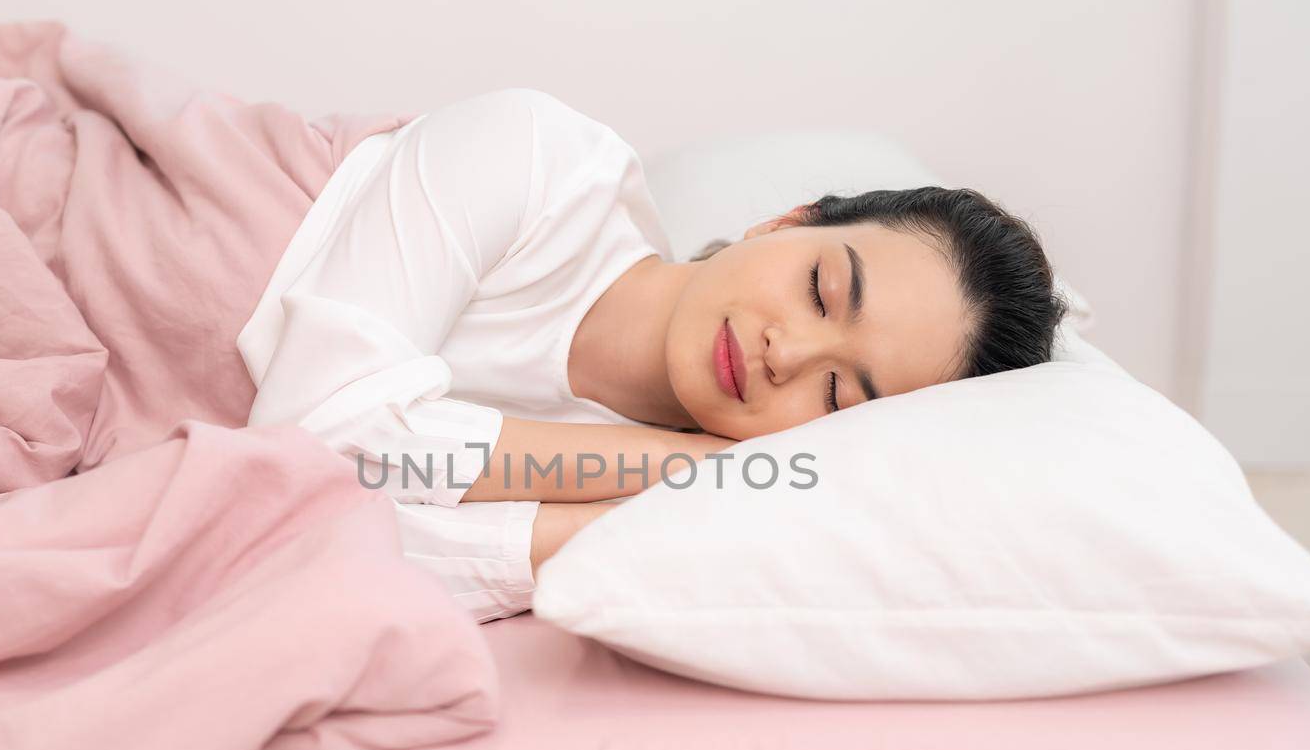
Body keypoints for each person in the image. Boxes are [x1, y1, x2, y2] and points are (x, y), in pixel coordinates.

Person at [237, 88, 1065, 622]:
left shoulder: (679, 497)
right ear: (786, 220)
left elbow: (315, 554)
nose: (789, 353)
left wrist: (627, 516)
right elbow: (304, 448)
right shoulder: (542, 163)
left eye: (840, 396)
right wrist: (672, 463)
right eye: (820, 287)